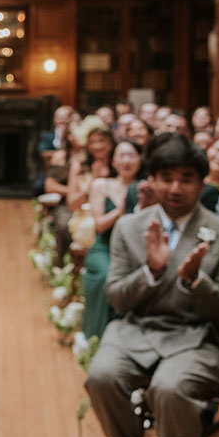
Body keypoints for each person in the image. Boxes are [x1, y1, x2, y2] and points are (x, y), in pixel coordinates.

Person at [85, 135, 219, 437]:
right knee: (101, 376)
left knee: (170, 390)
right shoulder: (130, 227)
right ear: (150, 180)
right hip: (138, 329)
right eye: (166, 177)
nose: (175, 188)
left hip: (198, 336)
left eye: (187, 178)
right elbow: (116, 296)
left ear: (203, 183)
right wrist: (152, 273)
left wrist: (194, 281)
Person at [82, 140, 141, 341]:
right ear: (113, 161)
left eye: (132, 155)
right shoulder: (101, 185)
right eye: (121, 155)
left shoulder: (144, 187)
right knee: (106, 276)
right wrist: (121, 210)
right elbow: (99, 225)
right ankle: (96, 337)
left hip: (134, 249)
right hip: (104, 246)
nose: (127, 160)